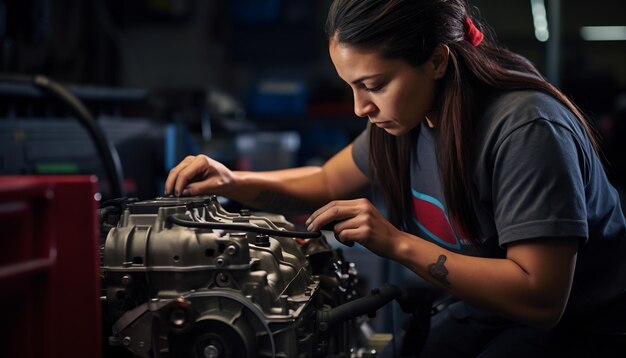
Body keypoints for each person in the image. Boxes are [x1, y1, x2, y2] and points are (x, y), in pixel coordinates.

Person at [164, 0, 626, 356]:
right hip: (488, 309)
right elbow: (326, 180)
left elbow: (540, 299)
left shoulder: (524, 130)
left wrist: (396, 242)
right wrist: (233, 181)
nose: (359, 108)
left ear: (437, 61)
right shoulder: (405, 119)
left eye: (374, 85)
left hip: (579, 322)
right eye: (351, 86)